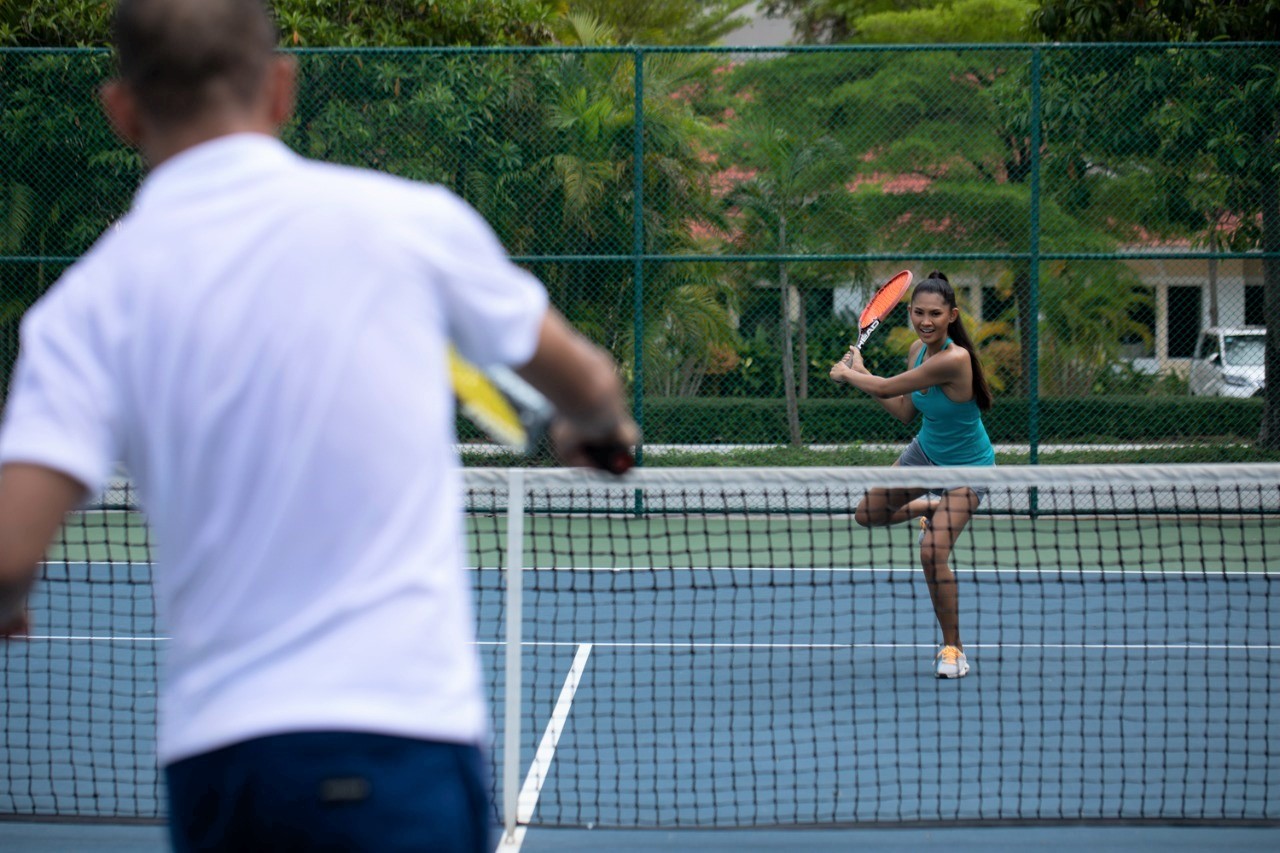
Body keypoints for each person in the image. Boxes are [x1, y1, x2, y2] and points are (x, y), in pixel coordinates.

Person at [0, 1, 638, 850]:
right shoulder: (412, 221)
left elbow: (11, 547)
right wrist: (588, 424)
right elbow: (590, 380)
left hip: (224, 768)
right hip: (405, 744)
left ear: (121, 109)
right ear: (281, 87)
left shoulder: (86, 302)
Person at [829, 270, 994, 679]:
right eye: (919, 312)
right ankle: (933, 505)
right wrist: (863, 374)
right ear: (909, 312)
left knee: (931, 552)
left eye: (935, 314)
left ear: (952, 315)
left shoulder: (955, 359)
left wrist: (851, 374)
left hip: (968, 470)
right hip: (925, 454)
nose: (926, 320)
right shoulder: (916, 354)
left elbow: (885, 390)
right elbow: (904, 410)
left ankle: (953, 649)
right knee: (867, 514)